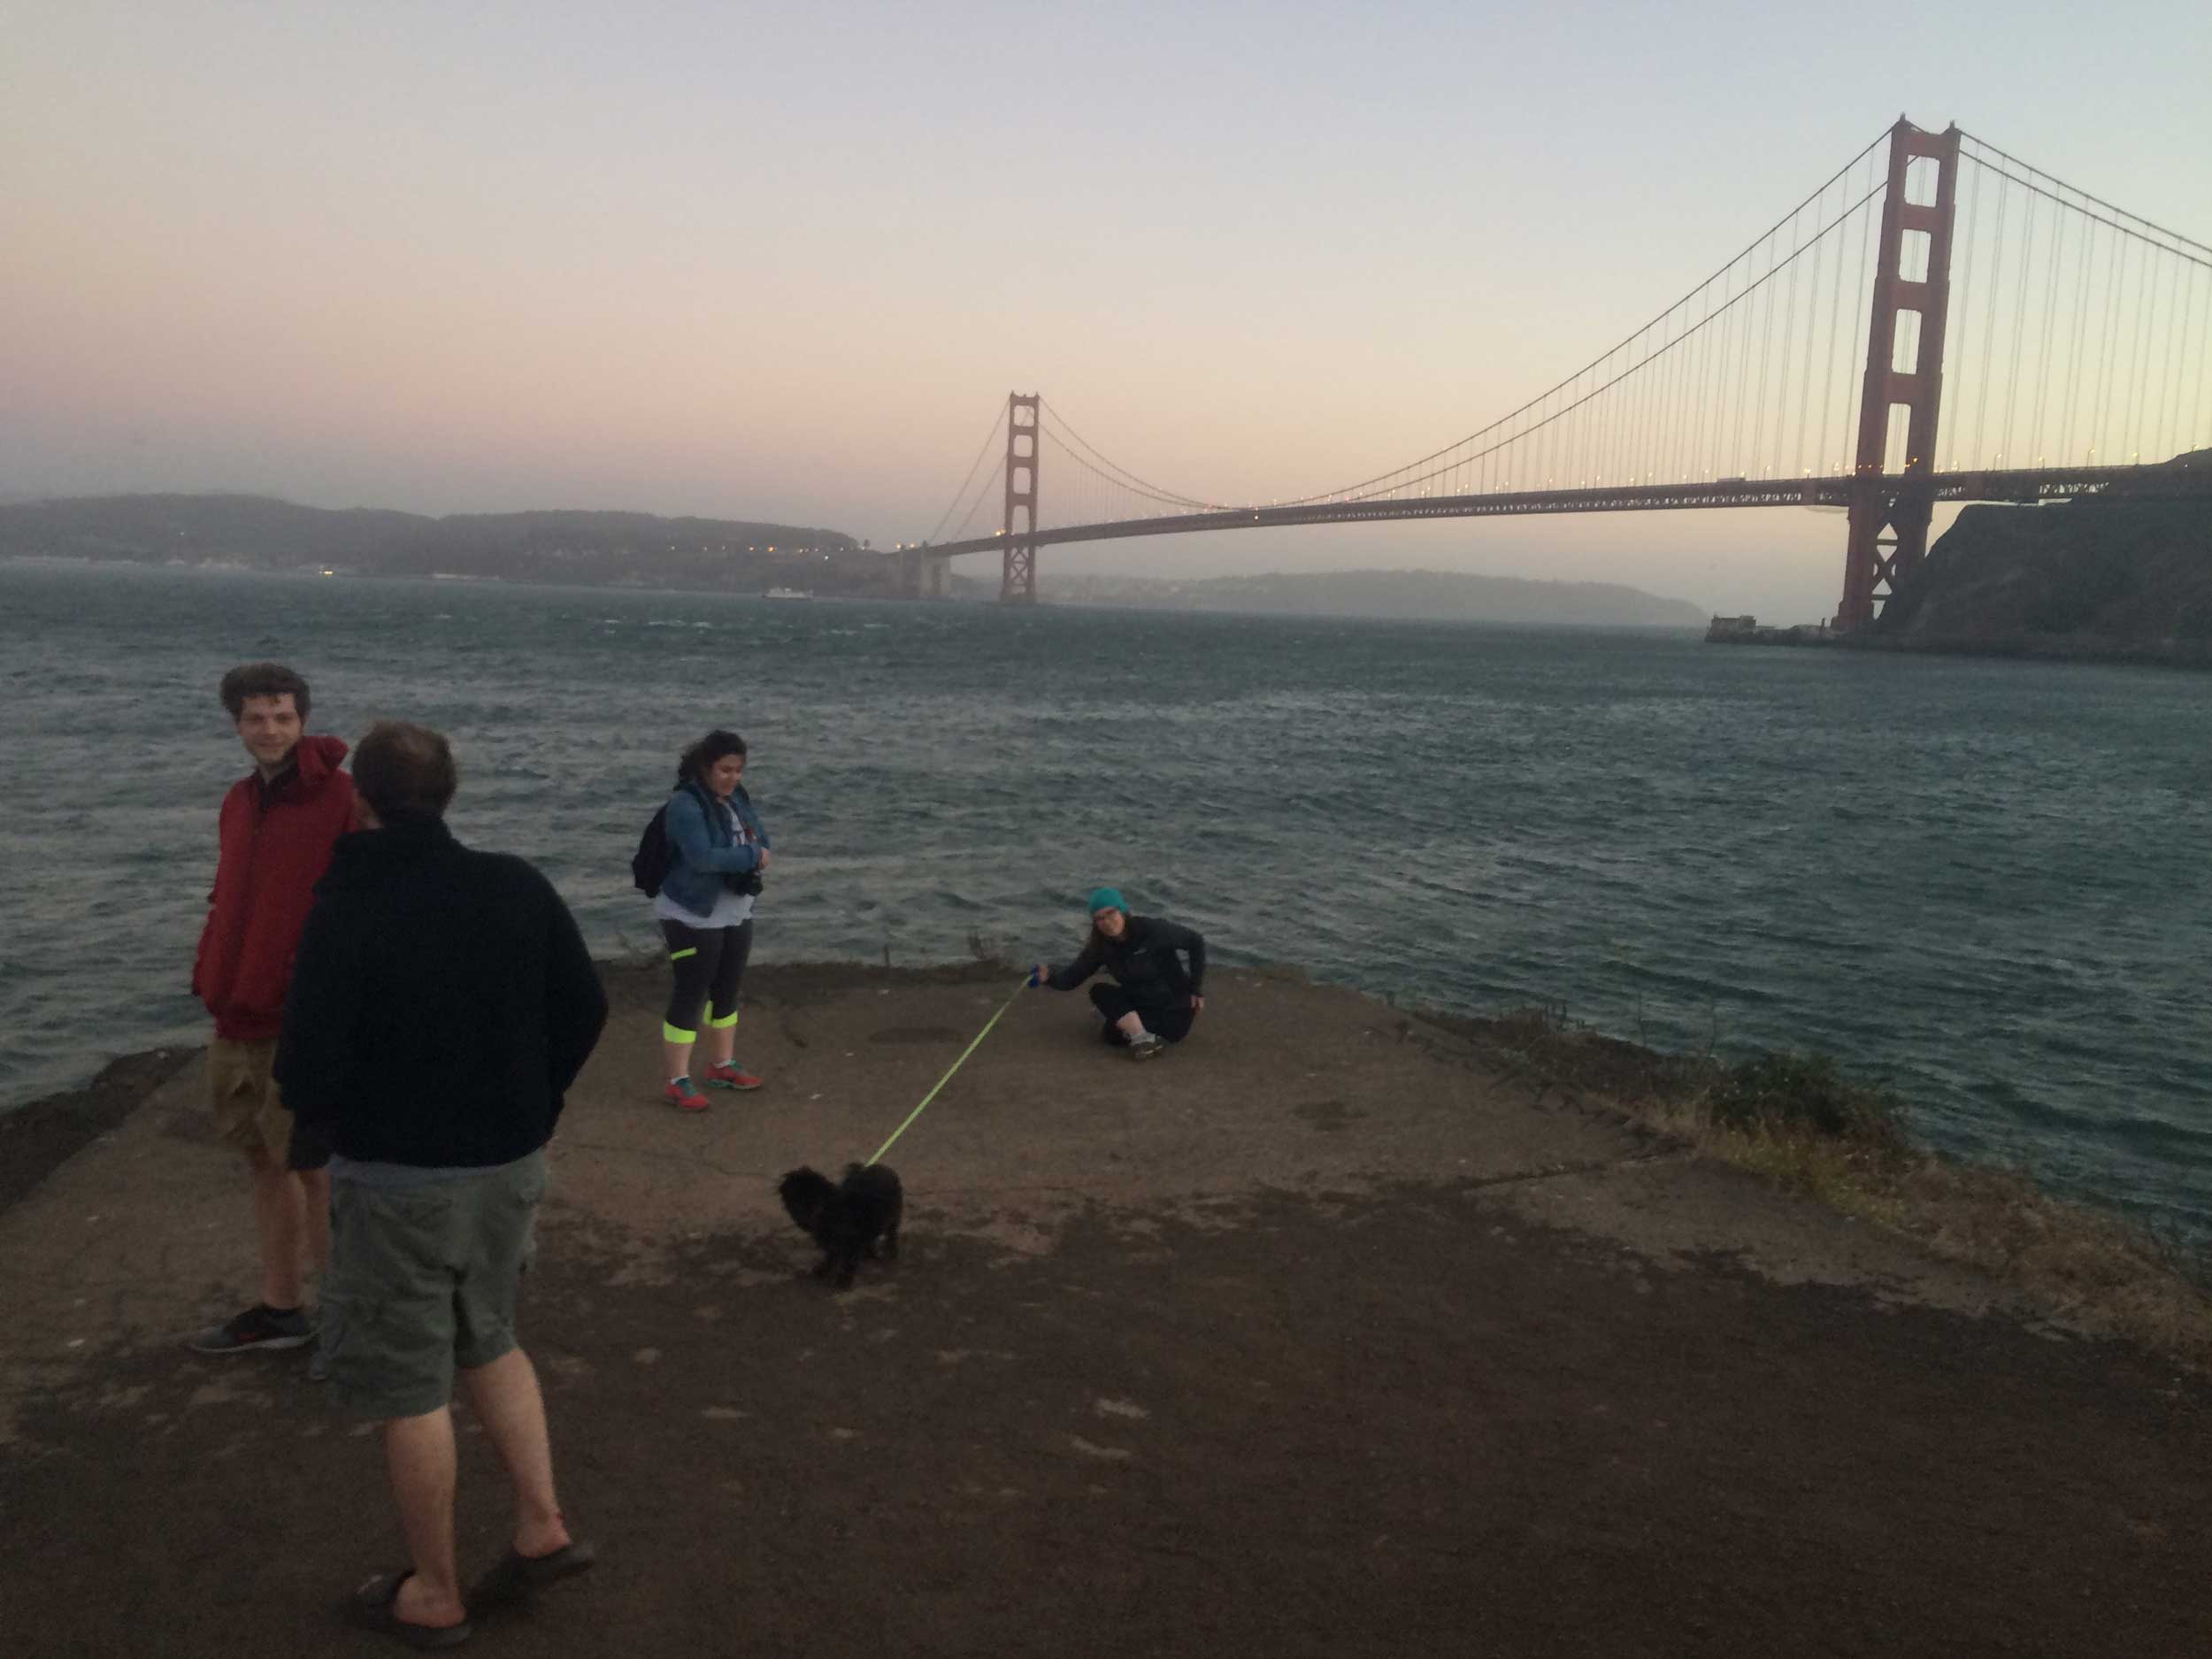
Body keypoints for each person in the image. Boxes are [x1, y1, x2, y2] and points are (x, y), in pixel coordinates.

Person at [278, 719, 608, 1645]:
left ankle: (434, 1590)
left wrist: (338, 1119)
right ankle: (541, 1527)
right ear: (451, 790)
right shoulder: (516, 885)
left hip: (395, 1181)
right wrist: (533, 1105)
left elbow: (302, 1069)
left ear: (364, 799)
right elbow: (585, 1005)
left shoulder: (347, 904)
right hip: (509, 1168)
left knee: (410, 1387)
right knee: (491, 1338)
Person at [188, 663, 355, 1357]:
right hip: (237, 1011)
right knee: (264, 1161)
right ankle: (282, 1306)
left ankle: (346, 1322)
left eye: (283, 716)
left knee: (318, 1170)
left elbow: (365, 899)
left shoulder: (340, 798)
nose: (270, 729)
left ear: (303, 719)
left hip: (300, 1017)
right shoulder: (237, 800)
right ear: (237, 724)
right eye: (256, 718)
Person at [653, 728, 772, 1111]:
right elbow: (703, 857)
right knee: (691, 991)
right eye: (725, 770)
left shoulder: (738, 798)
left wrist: (756, 851)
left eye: (738, 770)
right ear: (706, 767)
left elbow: (760, 837)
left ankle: (722, 1064)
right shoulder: (685, 805)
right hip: (691, 913)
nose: (732, 778)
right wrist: (752, 855)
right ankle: (677, 1079)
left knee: (727, 989)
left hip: (735, 908)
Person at [1032, 887, 1207, 1061]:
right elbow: (1073, 977)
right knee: (1101, 1001)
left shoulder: (1151, 929)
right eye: (1100, 918)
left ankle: (1141, 1038)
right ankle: (1143, 1036)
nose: (1107, 922)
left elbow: (1196, 941)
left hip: (1174, 1010)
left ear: (1122, 910)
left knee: (1113, 1028)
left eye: (1110, 913)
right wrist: (1048, 978)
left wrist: (1195, 988)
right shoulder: (1100, 947)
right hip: (1143, 1004)